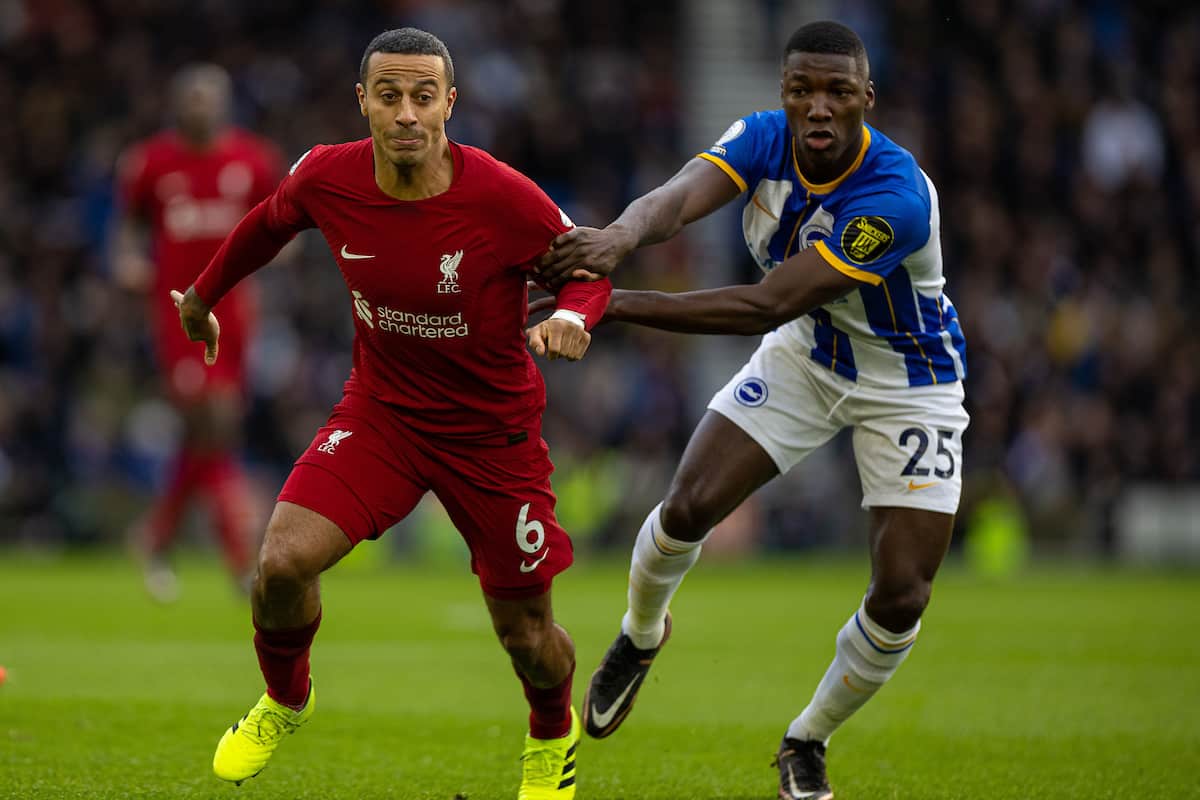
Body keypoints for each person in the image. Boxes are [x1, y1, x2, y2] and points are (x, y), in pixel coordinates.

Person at [172, 28, 610, 799]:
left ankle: (550, 737)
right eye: (389, 96)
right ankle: (286, 697)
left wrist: (575, 316)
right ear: (363, 102)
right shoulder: (327, 176)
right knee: (278, 565)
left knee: (528, 638)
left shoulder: (502, 195)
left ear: (449, 103)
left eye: (422, 96)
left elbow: (587, 269)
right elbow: (266, 226)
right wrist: (204, 300)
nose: (406, 113)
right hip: (383, 417)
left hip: (491, 436)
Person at [536, 20, 968, 800]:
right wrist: (618, 238)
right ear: (783, 93)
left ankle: (808, 739)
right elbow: (674, 202)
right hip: (813, 353)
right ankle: (640, 637)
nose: (819, 107)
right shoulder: (763, 139)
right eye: (803, 89)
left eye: (839, 91)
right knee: (688, 506)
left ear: (867, 97)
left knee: (903, 591)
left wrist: (612, 302)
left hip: (910, 381)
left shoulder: (894, 198)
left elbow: (766, 304)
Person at [112, 64, 284, 602]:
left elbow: (283, 221)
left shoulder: (254, 161)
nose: (198, 107)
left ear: (225, 102)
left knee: (204, 435)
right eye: (189, 97)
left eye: (207, 98)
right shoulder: (151, 163)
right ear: (176, 103)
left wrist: (281, 252)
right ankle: (239, 560)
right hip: (180, 311)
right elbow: (128, 229)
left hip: (236, 316)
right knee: (215, 420)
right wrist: (127, 260)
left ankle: (158, 541)